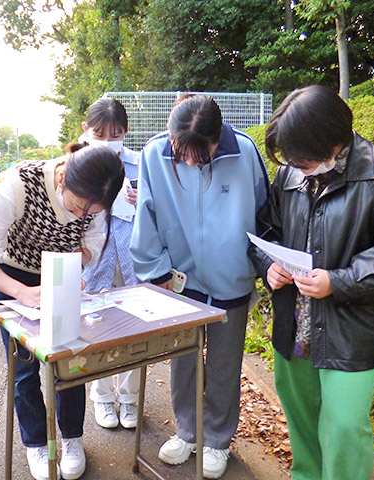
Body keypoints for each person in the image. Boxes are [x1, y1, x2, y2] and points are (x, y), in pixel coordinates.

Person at [248, 85, 374, 480]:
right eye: (291, 159)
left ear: (334, 139)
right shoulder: (289, 174)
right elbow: (267, 230)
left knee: (345, 427)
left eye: (304, 158)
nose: (297, 166)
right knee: (300, 419)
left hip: (352, 329)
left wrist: (340, 281)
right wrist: (269, 266)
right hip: (294, 324)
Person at [0, 144, 124, 480]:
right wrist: (23, 292)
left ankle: (72, 439)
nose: (82, 216)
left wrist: (74, 263)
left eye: (90, 212)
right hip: (14, 276)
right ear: (62, 177)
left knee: (70, 358)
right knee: (24, 366)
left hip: (59, 272)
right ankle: (36, 441)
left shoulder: (95, 196)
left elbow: (94, 240)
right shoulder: (21, 184)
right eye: (78, 207)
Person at [130, 94, 269, 479]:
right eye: (182, 153)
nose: (189, 161)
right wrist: (156, 273)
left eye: (200, 154)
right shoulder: (154, 154)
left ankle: (218, 441)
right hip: (181, 280)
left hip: (231, 281)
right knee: (183, 362)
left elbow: (263, 212)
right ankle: (188, 433)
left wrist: (257, 266)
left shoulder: (243, 150)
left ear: (217, 138)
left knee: (225, 366)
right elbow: (147, 218)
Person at [80, 98, 141, 430]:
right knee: (97, 328)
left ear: (126, 131)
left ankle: (129, 399)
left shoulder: (140, 164)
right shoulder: (78, 166)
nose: (107, 141)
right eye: (100, 134)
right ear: (86, 131)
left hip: (132, 260)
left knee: (134, 329)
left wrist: (142, 199)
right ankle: (102, 396)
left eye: (115, 134)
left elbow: (159, 210)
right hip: (96, 261)